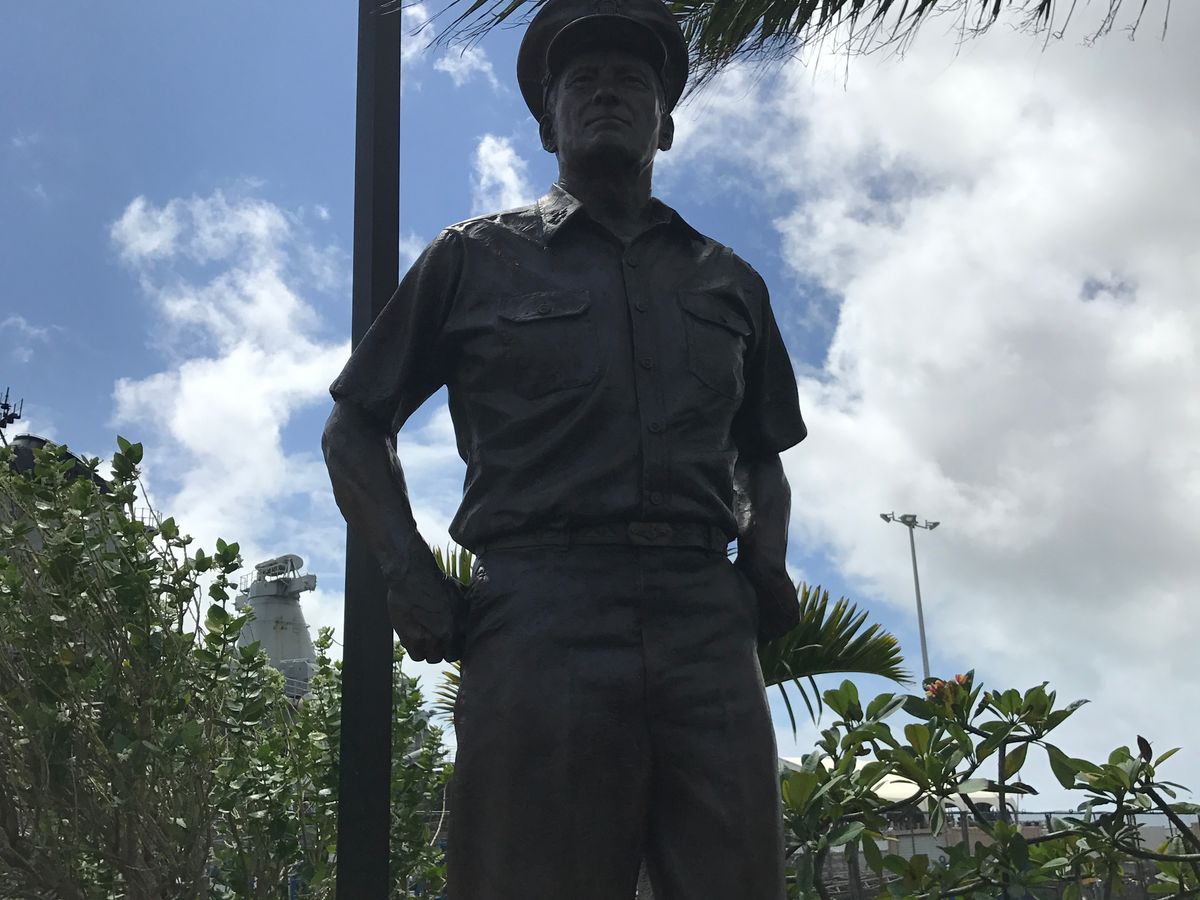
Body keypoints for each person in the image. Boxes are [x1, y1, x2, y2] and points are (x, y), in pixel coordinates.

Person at [322, 0, 807, 895]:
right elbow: (354, 425)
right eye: (582, 81)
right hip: (541, 617)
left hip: (706, 622)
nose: (607, 93)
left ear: (666, 122)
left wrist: (764, 563)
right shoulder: (474, 258)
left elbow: (761, 455)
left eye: (632, 80)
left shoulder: (731, 282)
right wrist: (406, 570)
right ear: (548, 124)